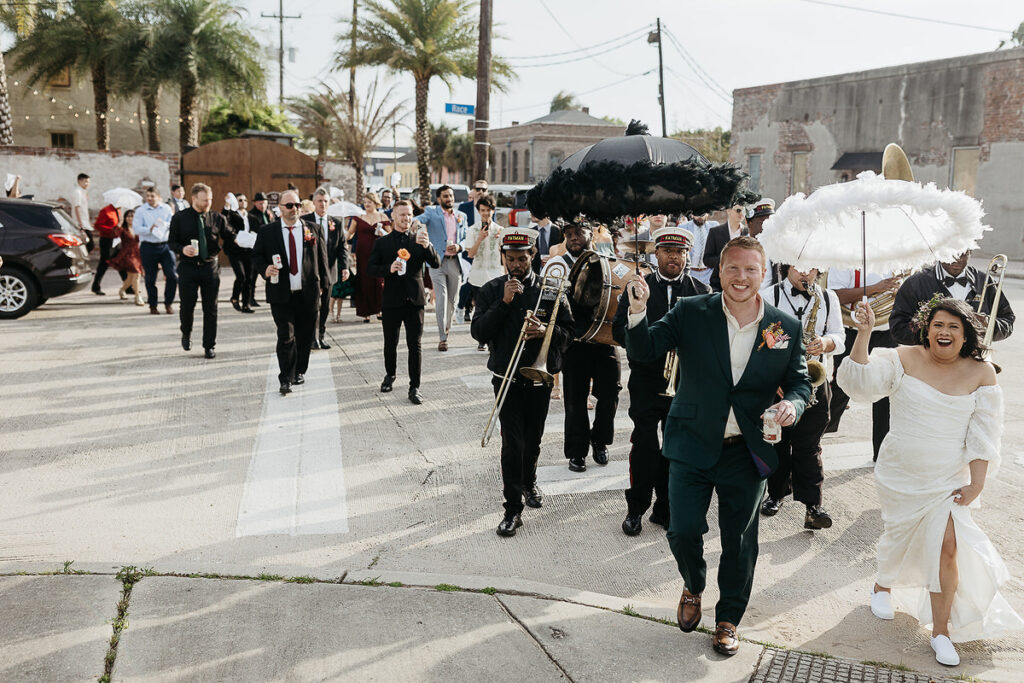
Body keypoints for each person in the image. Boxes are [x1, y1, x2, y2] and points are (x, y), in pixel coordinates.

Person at [623, 235, 811, 657]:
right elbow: (645, 349)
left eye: (750, 269)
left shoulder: (785, 327)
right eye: (732, 268)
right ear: (718, 272)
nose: (741, 277)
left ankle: (728, 618)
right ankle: (693, 584)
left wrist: (792, 406)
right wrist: (637, 309)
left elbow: (801, 383)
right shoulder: (691, 311)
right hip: (691, 443)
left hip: (748, 449)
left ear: (764, 274)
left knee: (739, 541)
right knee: (682, 530)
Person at [836, 297, 1023, 667]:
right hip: (901, 470)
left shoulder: (983, 372)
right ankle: (882, 585)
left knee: (948, 547)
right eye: (938, 325)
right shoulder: (902, 356)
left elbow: (984, 435)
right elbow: (859, 384)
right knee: (898, 534)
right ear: (926, 328)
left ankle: (941, 632)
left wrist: (977, 483)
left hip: (947, 478)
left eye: (954, 326)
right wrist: (864, 334)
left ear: (966, 333)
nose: (945, 332)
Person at [472, 227, 575, 537]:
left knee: (533, 441)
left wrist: (545, 331)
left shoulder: (550, 288)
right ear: (503, 257)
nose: (516, 265)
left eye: (522, 259)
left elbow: (569, 335)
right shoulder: (491, 289)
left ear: (534, 256)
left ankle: (529, 481)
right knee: (511, 445)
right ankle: (512, 509)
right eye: (510, 259)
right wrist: (503, 304)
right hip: (506, 378)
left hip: (540, 378)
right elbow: (479, 332)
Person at [612, 226, 710, 536]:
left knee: (675, 448)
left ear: (687, 255)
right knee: (643, 445)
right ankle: (636, 508)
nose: (675, 257)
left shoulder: (701, 293)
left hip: (682, 385)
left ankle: (665, 508)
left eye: (680, 252)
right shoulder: (638, 286)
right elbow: (617, 333)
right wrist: (637, 317)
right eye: (668, 251)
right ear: (657, 254)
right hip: (646, 379)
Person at [759, 266, 845, 529]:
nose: (805, 274)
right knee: (778, 443)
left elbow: (840, 336)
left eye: (811, 268)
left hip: (814, 381)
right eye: (799, 267)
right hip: (777, 382)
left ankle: (813, 506)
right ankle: (776, 494)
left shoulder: (828, 298)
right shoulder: (767, 296)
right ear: (787, 265)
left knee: (809, 445)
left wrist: (826, 343)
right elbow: (757, 340)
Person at [544, 220, 621, 472]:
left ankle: (600, 441)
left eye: (579, 232)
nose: (574, 237)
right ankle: (577, 451)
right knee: (575, 400)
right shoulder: (558, 264)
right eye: (569, 234)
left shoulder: (607, 260)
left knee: (610, 393)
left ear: (591, 233)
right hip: (574, 342)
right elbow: (547, 303)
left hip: (604, 339)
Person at [252, 190, 329, 395]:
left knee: (305, 337)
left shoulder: (313, 229)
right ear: (280, 209)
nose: (293, 209)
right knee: (286, 336)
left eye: (296, 205)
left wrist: (325, 287)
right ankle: (285, 378)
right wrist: (265, 269)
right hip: (281, 294)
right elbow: (257, 257)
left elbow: (322, 260)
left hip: (308, 293)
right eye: (289, 205)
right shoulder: (268, 231)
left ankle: (299, 371)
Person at [367, 200, 440, 404]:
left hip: (414, 300)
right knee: (390, 343)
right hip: (391, 300)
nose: (406, 218)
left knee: (414, 345)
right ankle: (390, 375)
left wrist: (428, 246)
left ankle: (414, 386)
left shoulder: (419, 239)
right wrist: (387, 269)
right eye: (402, 215)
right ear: (392, 216)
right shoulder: (382, 243)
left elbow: (436, 263)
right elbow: (370, 268)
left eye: (409, 215)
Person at [825, 267, 902, 458]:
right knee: (842, 385)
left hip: (886, 329)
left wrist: (901, 292)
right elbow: (835, 296)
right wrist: (875, 288)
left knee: (887, 390)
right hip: (853, 328)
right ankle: (813, 438)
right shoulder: (844, 257)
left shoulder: (896, 256)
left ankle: (881, 454)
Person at [890, 251, 1014, 346]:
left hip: (975, 364)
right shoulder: (916, 282)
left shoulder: (983, 281)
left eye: (962, 254)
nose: (956, 260)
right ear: (939, 252)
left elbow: (1007, 321)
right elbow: (897, 329)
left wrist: (989, 325)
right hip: (930, 363)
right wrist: (927, 332)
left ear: (970, 252)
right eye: (950, 253)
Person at [168, 183, 232, 359]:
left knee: (211, 308)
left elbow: (230, 235)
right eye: (204, 201)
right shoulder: (180, 218)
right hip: (188, 268)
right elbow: (171, 242)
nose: (208, 204)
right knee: (187, 306)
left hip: (210, 267)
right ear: (194, 198)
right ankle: (186, 333)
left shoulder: (217, 217)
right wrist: (182, 249)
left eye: (210, 200)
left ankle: (209, 345)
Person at [418, 185, 468, 351]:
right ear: (439, 199)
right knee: (441, 297)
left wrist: (459, 247)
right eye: (446, 196)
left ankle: (447, 328)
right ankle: (442, 337)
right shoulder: (432, 212)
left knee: (453, 300)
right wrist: (417, 230)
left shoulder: (462, 216)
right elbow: (417, 220)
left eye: (451, 196)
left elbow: (466, 238)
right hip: (437, 261)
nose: (449, 199)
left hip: (455, 261)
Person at [302, 187, 351, 348]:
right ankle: (310, 337)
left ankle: (321, 336)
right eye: (319, 201)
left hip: (329, 270)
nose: (323, 204)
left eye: (325, 201)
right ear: (314, 202)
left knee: (324, 305)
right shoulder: (305, 221)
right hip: (310, 271)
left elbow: (342, 247)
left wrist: (345, 266)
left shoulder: (335, 223)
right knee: (312, 305)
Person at [461, 194, 503, 348]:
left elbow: (504, 255)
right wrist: (479, 238)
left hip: (495, 275)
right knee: (480, 309)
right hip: (478, 276)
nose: (486, 213)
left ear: (493, 210)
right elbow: (470, 254)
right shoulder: (472, 230)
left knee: (495, 309)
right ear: (478, 211)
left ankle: (493, 340)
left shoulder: (500, 230)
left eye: (488, 210)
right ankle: (481, 339)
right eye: (483, 210)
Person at [347, 191, 390, 323]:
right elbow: (349, 234)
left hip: (379, 253)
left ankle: (379, 309)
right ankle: (365, 312)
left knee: (378, 281)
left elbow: (390, 234)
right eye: (365, 203)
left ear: (376, 203)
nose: (366, 205)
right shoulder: (358, 217)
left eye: (369, 202)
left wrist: (382, 232)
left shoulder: (383, 216)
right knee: (364, 280)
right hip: (362, 253)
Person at [133, 187, 177, 315]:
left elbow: (173, 223)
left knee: (172, 275)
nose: (150, 199)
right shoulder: (141, 211)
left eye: (152, 196)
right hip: (148, 246)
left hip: (165, 245)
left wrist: (164, 225)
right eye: (148, 196)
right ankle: (153, 305)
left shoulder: (166, 209)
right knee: (150, 278)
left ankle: (168, 303)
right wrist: (150, 229)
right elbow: (136, 229)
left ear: (158, 196)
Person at [221, 192, 254, 314]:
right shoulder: (232, 214)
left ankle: (246, 304)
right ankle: (235, 298)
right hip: (235, 250)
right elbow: (224, 221)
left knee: (249, 278)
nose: (243, 202)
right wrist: (227, 205)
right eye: (240, 200)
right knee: (241, 275)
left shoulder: (250, 216)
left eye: (245, 200)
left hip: (248, 249)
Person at [704, 204, 747, 291]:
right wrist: (727, 261)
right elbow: (707, 259)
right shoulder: (715, 232)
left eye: (744, 211)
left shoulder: (748, 233)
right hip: (720, 283)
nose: (741, 214)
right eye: (738, 210)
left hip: (743, 283)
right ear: (728, 211)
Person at [107, 209, 144, 306]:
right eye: (128, 216)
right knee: (136, 274)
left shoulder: (138, 228)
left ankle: (122, 290)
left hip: (137, 254)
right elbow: (114, 234)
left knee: (131, 276)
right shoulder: (123, 229)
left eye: (132, 216)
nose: (130, 218)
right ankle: (137, 296)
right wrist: (119, 223)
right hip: (126, 254)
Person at [91, 202, 128, 295]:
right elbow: (97, 225)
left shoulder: (118, 211)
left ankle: (128, 286)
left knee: (120, 262)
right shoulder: (106, 211)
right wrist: (111, 230)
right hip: (107, 240)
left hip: (116, 240)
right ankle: (96, 286)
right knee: (104, 263)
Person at [247, 192, 274, 308]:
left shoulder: (269, 214)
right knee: (252, 276)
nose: (263, 205)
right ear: (255, 203)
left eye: (264, 203)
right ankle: (250, 298)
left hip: (269, 249)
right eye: (260, 203)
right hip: (255, 248)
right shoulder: (251, 215)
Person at [680, 212, 719, 287]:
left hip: (709, 273)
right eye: (697, 214)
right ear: (692, 214)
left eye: (703, 214)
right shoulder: (683, 227)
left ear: (707, 214)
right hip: (690, 273)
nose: (700, 217)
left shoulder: (714, 226)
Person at [70, 173, 91, 241]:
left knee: (88, 244)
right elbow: (77, 208)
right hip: (81, 224)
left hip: (85, 223)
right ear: (79, 181)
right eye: (85, 182)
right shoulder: (77, 192)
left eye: (88, 182)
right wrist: (81, 224)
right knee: (89, 244)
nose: (87, 184)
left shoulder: (83, 192)